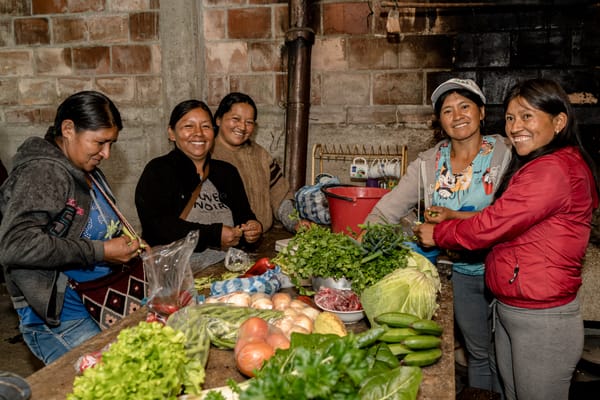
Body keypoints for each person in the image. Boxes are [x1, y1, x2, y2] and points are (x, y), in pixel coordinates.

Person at [414, 78, 599, 400]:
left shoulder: (552, 170)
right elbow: (508, 216)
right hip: (518, 308)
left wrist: (439, 233)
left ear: (558, 121)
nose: (515, 127)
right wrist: (454, 216)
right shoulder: (542, 164)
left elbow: (492, 225)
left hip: (541, 320)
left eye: (527, 116)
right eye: (511, 118)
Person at [363, 78, 511, 395]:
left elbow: (510, 216)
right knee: (480, 354)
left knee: (508, 358)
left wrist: (451, 219)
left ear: (482, 112)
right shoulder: (429, 163)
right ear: (439, 120)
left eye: (465, 106)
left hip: (505, 270)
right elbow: (384, 212)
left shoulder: (505, 152)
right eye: (447, 110)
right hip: (460, 273)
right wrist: (361, 244)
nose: (457, 115)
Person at [0, 91, 144, 365]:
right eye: (100, 142)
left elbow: (88, 227)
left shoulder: (84, 169)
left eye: (111, 143)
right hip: (62, 318)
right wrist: (100, 251)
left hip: (98, 302)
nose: (107, 153)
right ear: (68, 129)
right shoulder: (43, 173)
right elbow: (15, 245)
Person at [135, 99, 262, 268]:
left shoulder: (227, 172)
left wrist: (253, 228)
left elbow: (243, 215)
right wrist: (213, 235)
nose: (199, 133)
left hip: (227, 271)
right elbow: (158, 228)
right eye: (188, 126)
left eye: (205, 126)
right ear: (171, 133)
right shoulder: (158, 171)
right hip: (177, 275)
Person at [212, 92, 308, 232]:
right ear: (218, 120)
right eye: (235, 119)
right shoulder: (207, 155)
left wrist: (294, 223)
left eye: (249, 122)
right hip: (220, 243)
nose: (243, 127)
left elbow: (280, 195)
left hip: (261, 239)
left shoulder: (261, 155)